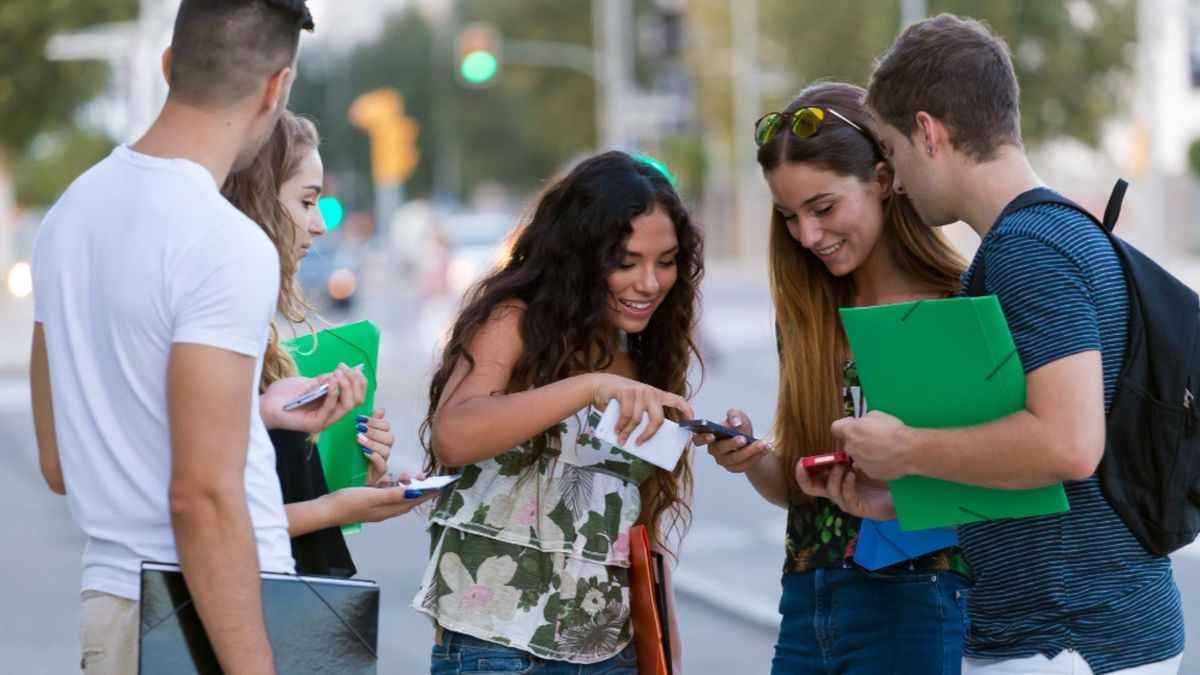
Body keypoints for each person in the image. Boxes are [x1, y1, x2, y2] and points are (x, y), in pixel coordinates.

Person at [823, 13, 1185, 674]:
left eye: (894, 153)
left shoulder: (1028, 250)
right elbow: (1043, 471)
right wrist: (902, 491)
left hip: (1067, 641)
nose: (896, 182)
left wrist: (905, 447)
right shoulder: (1060, 234)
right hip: (1084, 632)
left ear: (928, 132)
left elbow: (1068, 445)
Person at [29, 1, 314, 673]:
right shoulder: (225, 243)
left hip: (112, 605)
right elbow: (202, 495)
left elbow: (58, 460)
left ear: (168, 65)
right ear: (277, 87)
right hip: (211, 614)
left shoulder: (67, 217)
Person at [693, 82, 971, 674]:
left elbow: (1002, 479)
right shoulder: (804, 312)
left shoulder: (953, 304)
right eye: (789, 216)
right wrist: (753, 458)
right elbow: (799, 489)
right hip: (804, 605)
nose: (808, 236)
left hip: (912, 604)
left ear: (882, 177)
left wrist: (899, 489)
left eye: (823, 208)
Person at [411, 151, 703, 674]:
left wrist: (666, 656)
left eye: (665, 261)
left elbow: (644, 530)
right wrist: (588, 386)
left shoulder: (644, 358)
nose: (650, 283)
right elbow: (452, 435)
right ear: (580, 255)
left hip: (611, 652)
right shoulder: (514, 321)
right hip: (498, 647)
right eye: (627, 261)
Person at [222, 110, 433, 577]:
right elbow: (207, 516)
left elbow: (275, 491)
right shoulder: (216, 332)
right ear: (256, 199)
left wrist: (355, 473)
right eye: (306, 202)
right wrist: (336, 508)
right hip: (247, 606)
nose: (318, 226)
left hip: (289, 597)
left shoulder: (267, 347)